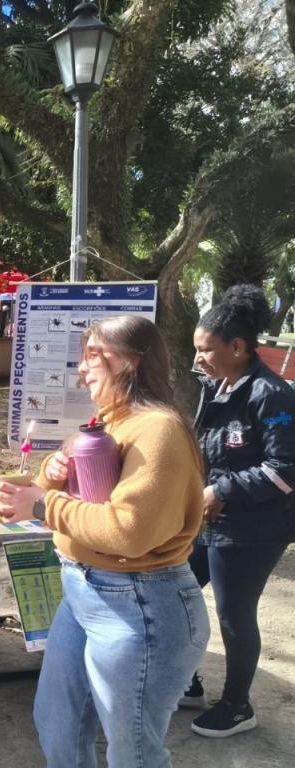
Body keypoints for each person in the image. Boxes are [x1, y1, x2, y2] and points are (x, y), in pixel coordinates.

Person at [0, 315, 209, 767]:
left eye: (93, 356)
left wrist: (41, 505)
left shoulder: (158, 429)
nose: (81, 369)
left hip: (141, 604)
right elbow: (77, 495)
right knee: (59, 724)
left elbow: (128, 531)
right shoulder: (110, 423)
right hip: (84, 592)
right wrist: (53, 473)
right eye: (81, 357)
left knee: (132, 751)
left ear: (132, 361)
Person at [184, 284, 295, 737]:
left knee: (234, 614)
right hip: (211, 517)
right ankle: (187, 682)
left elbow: (284, 471)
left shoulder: (272, 395)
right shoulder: (217, 385)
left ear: (238, 346)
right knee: (180, 593)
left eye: (206, 350)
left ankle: (237, 706)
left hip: (255, 527)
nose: (199, 359)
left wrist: (221, 489)